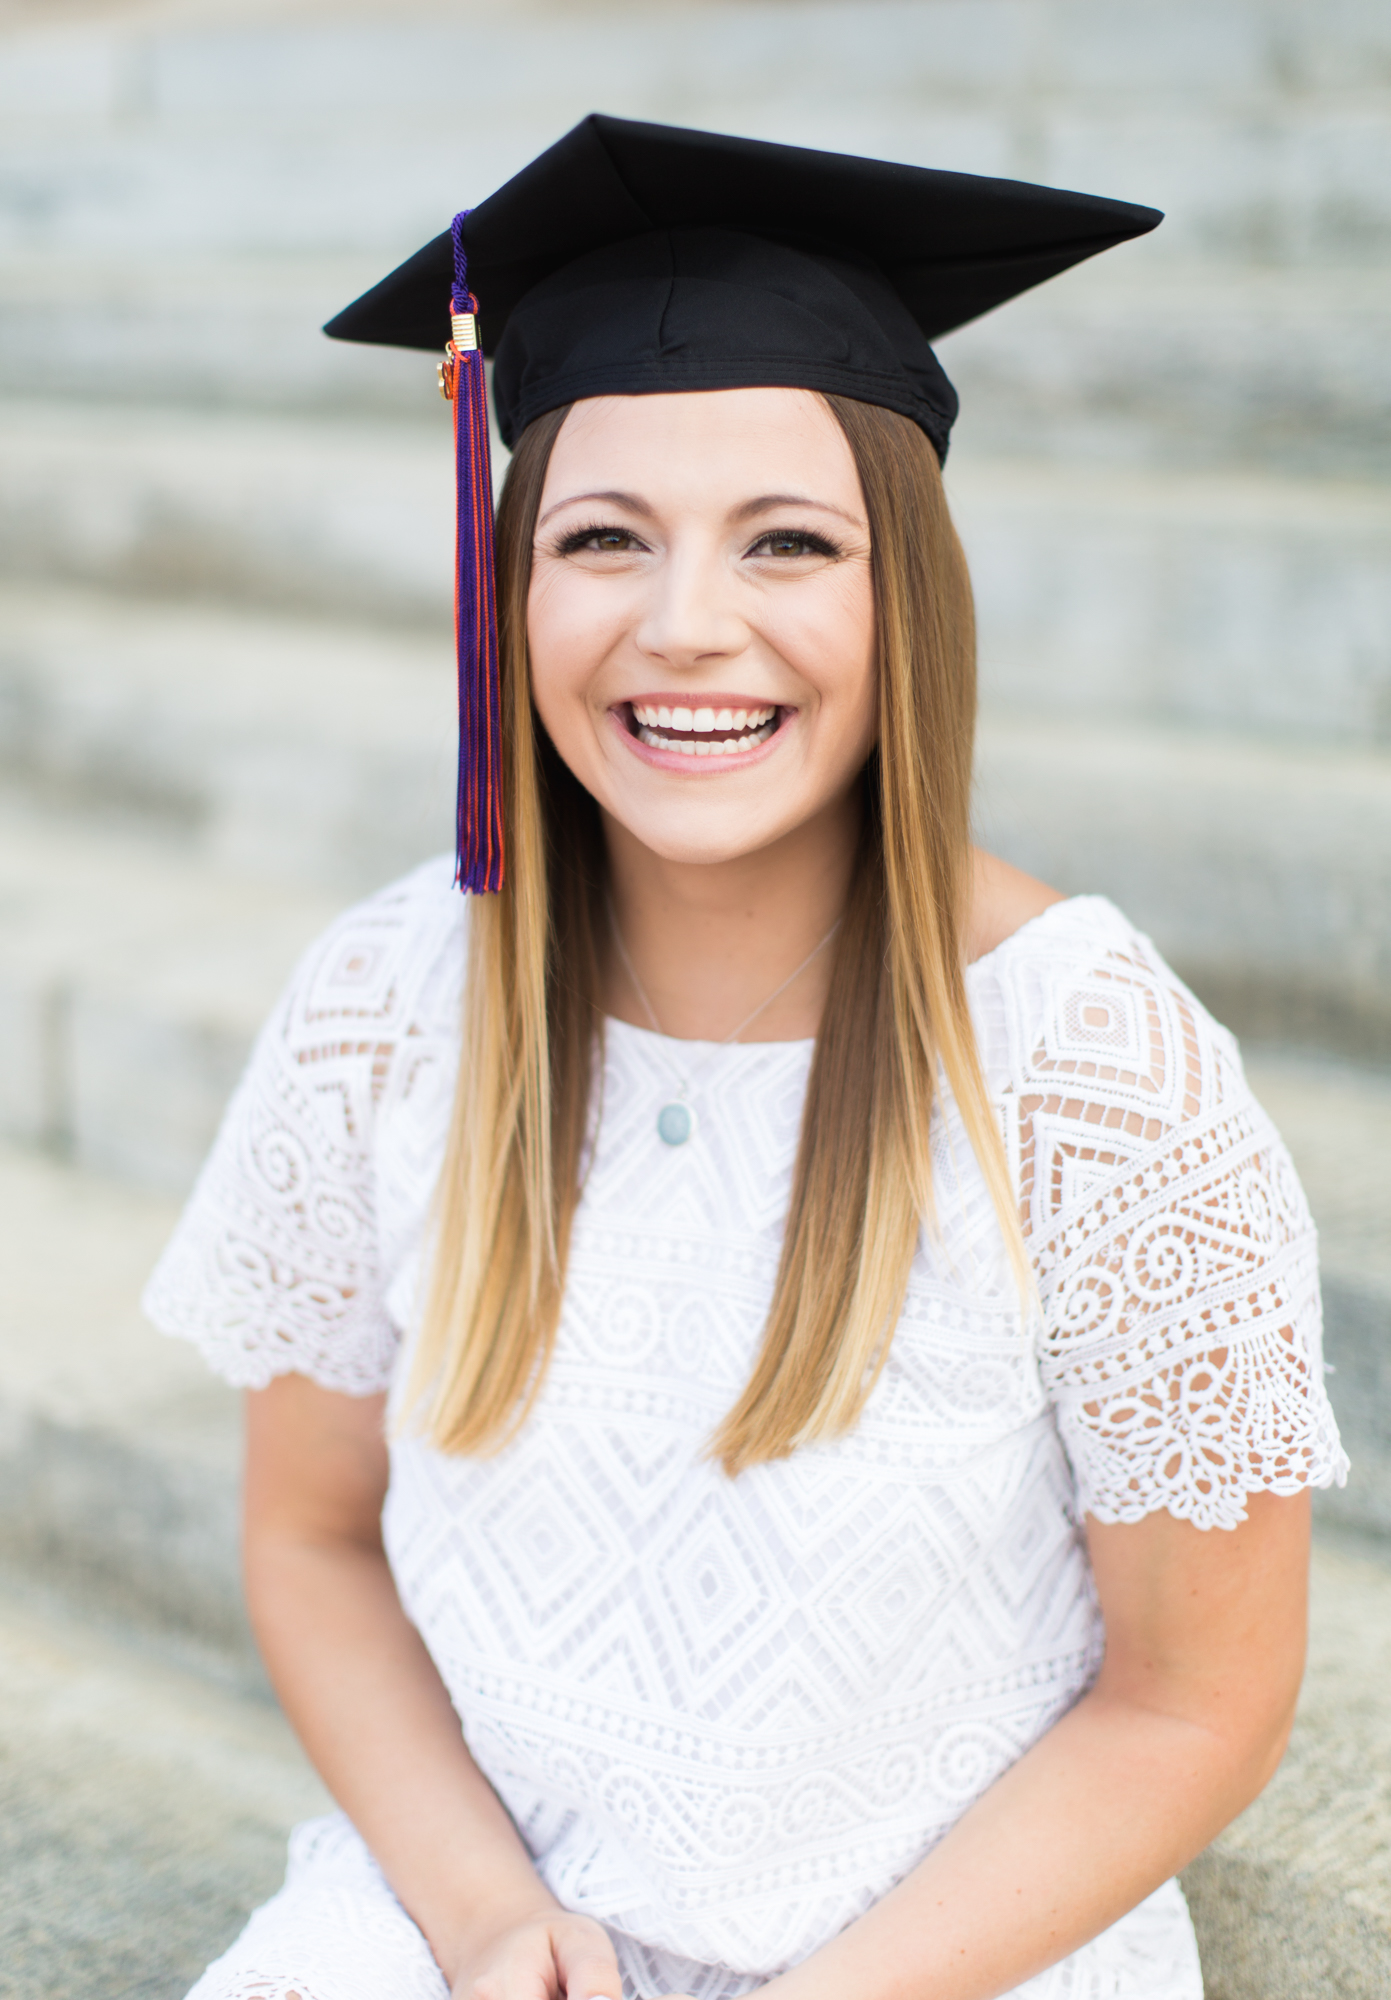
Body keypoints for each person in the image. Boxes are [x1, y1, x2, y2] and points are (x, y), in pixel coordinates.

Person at [144, 115, 1347, 2000]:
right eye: (603, 536)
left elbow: (1198, 1699)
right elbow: (312, 1537)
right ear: (510, 588)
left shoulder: (1090, 1071)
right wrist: (477, 1912)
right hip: (465, 1932)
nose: (686, 624)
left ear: (904, 597)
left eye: (790, 541)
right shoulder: (391, 1006)